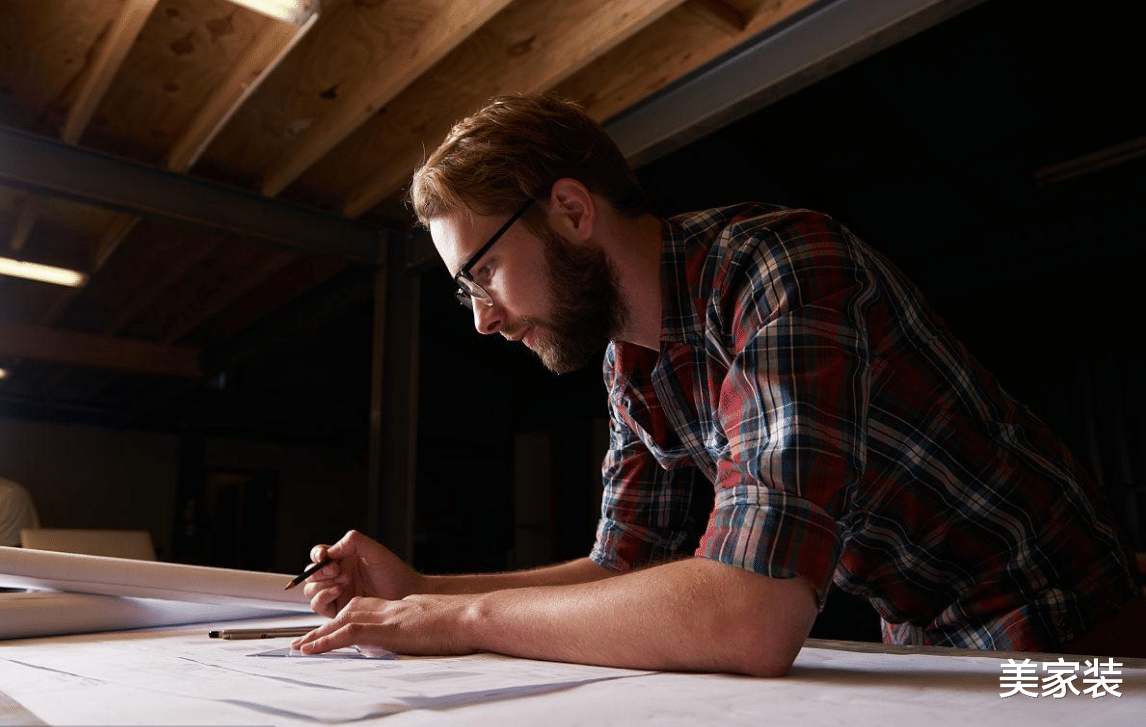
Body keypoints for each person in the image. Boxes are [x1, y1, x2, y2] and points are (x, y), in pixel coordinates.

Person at [291, 94, 1145, 673]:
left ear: (573, 211)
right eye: (464, 291)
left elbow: (750, 615)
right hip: (931, 652)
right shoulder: (629, 362)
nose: (481, 319)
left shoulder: (780, 271)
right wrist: (419, 591)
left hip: (1078, 639)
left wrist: (460, 621)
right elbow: (621, 570)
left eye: (482, 273)